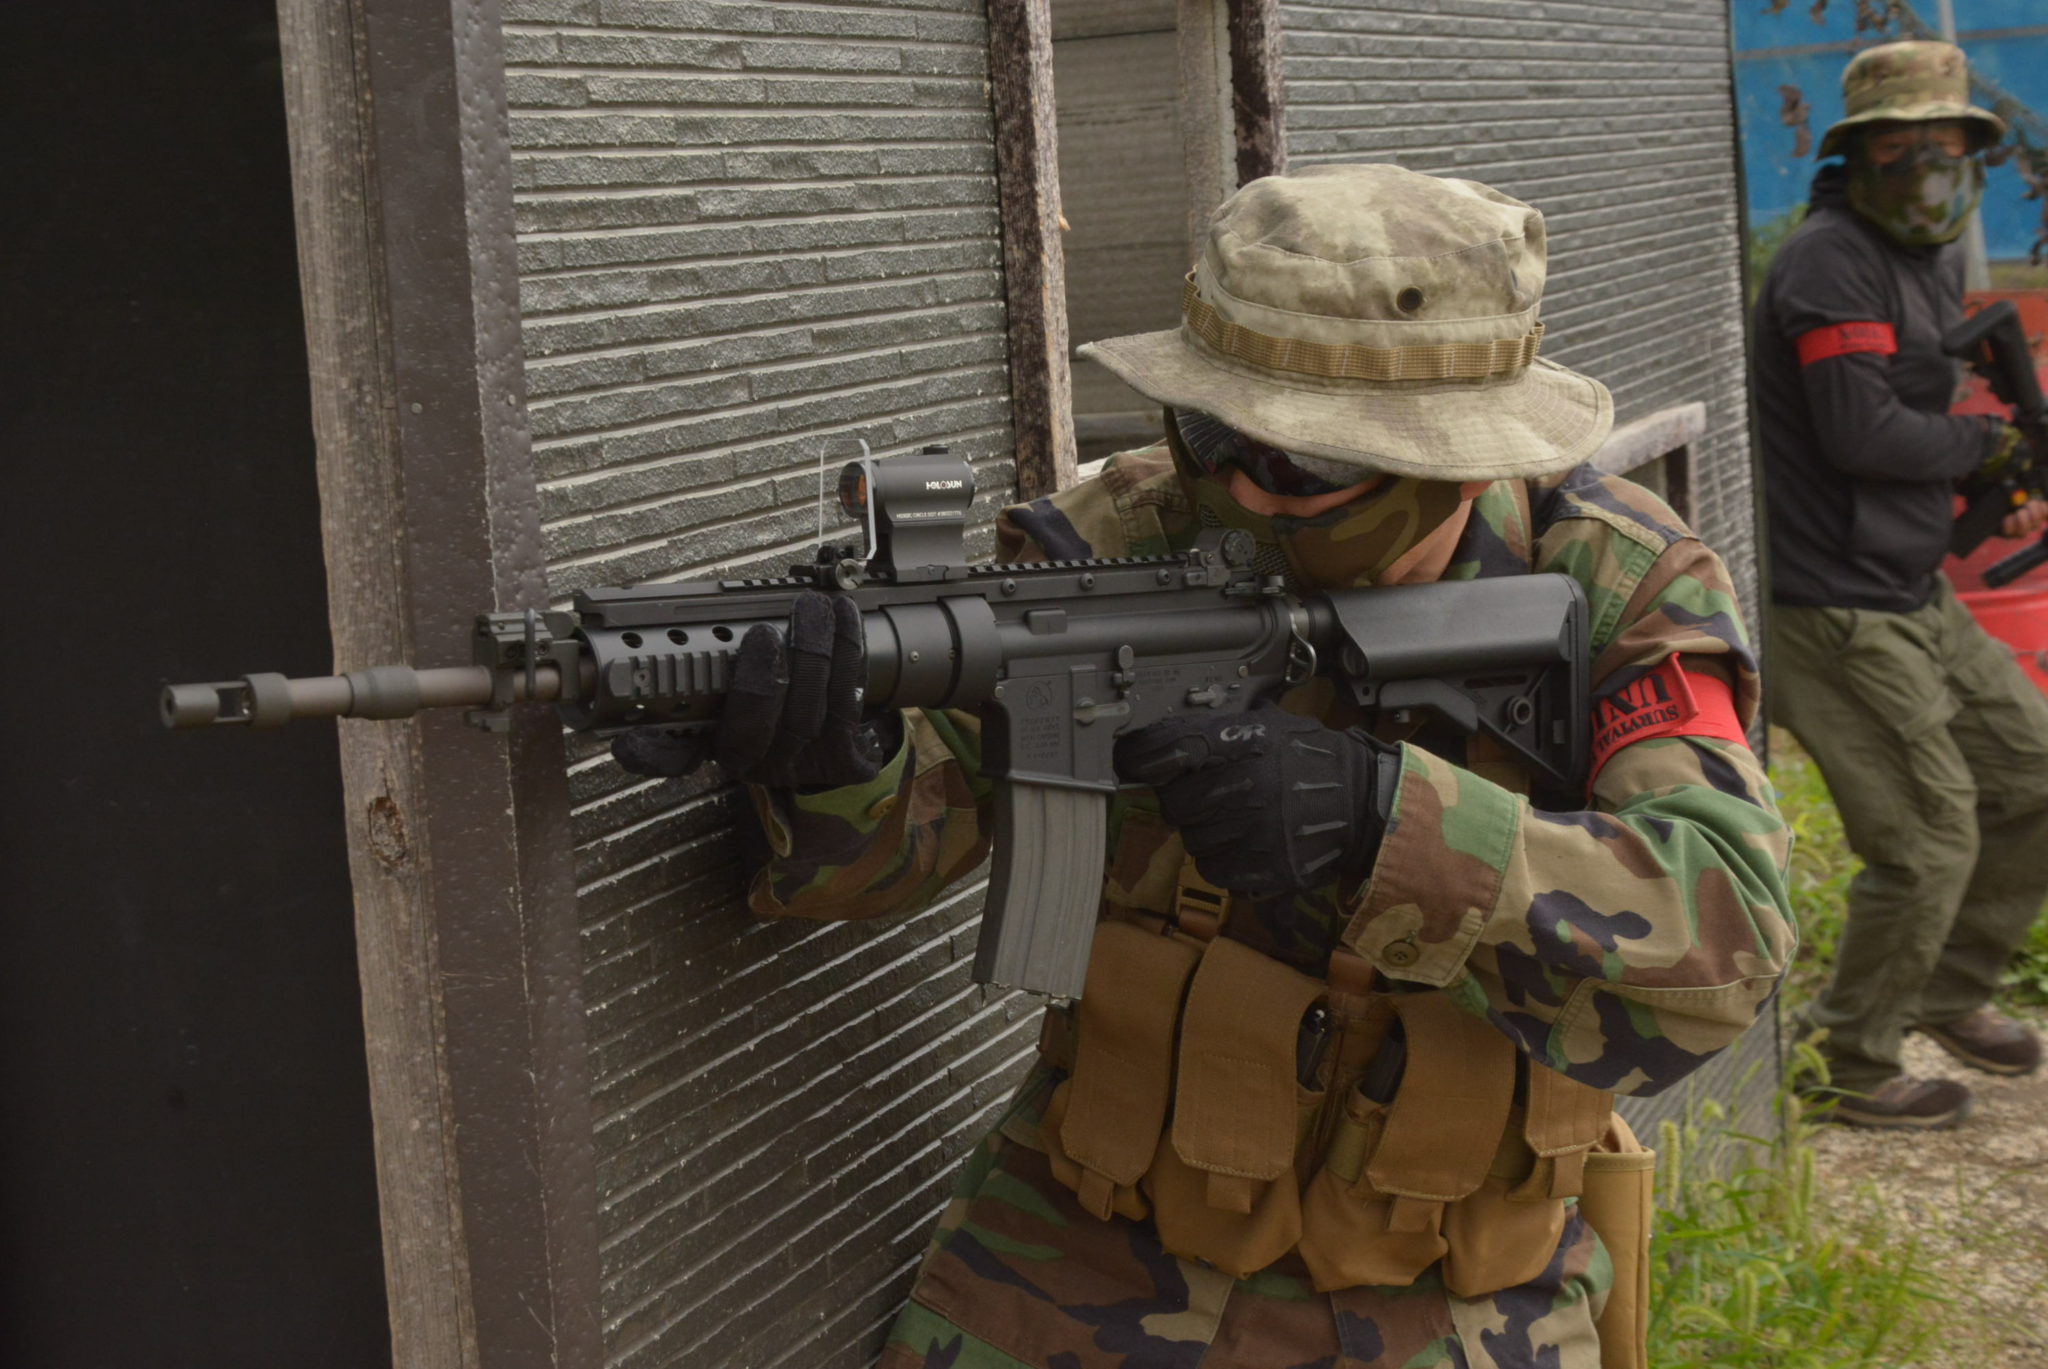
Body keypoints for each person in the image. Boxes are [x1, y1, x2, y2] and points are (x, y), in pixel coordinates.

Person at [619, 164, 1793, 1368]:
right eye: (1213, 431)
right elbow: (887, 854)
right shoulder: (1114, 540)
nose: (1236, 487)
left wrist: (1381, 823)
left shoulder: (1613, 583)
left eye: (1298, 464)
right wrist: (839, 756)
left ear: (1448, 456)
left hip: (1454, 1305)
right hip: (1074, 1267)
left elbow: (1725, 940)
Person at [1753, 39, 2048, 1131]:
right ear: (1853, 156)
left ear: (1971, 153)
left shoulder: (1925, 259)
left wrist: (1993, 487)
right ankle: (1849, 1060)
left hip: (1908, 585)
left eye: (1944, 146)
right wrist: (1986, 446)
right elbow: (1859, 429)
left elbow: (1913, 423)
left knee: (2031, 777)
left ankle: (1942, 991)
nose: (1923, 169)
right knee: (1927, 839)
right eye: (1897, 148)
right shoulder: (1831, 263)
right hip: (1829, 605)